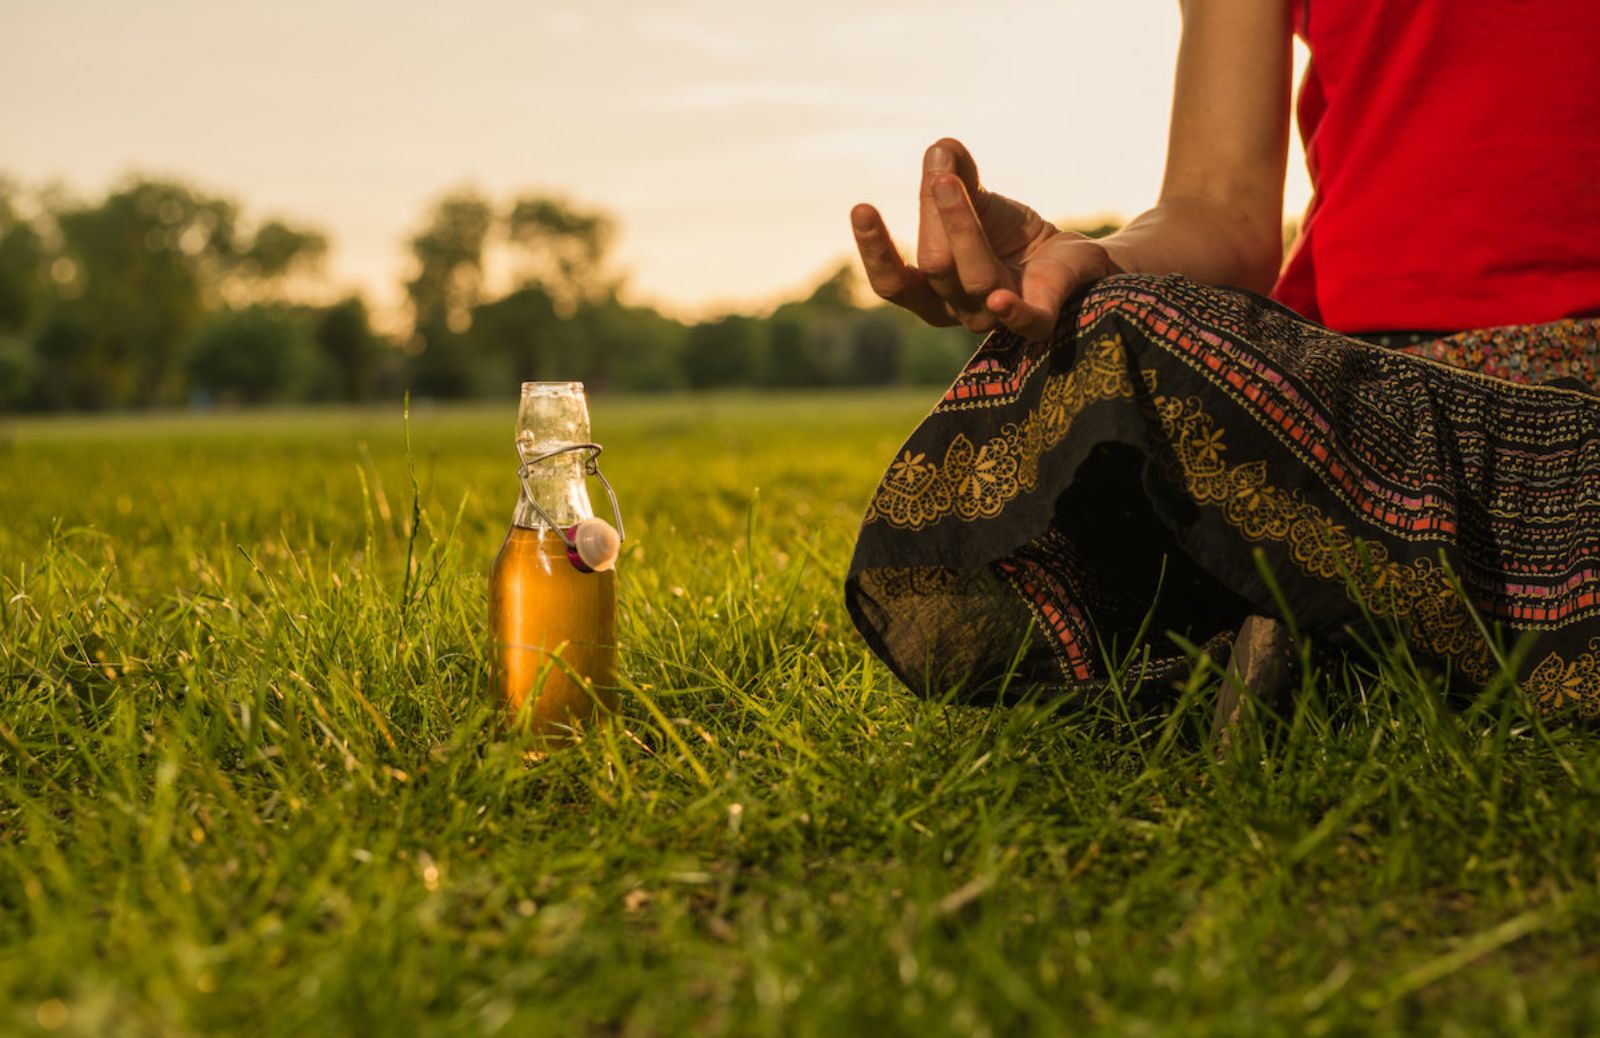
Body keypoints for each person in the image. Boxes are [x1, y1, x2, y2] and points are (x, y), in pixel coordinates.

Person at [842, 0, 1600, 718]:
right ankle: (1351, 614)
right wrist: (1092, 263)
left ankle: (1307, 623)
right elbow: (1218, 202)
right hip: (1361, 406)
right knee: (1112, 326)